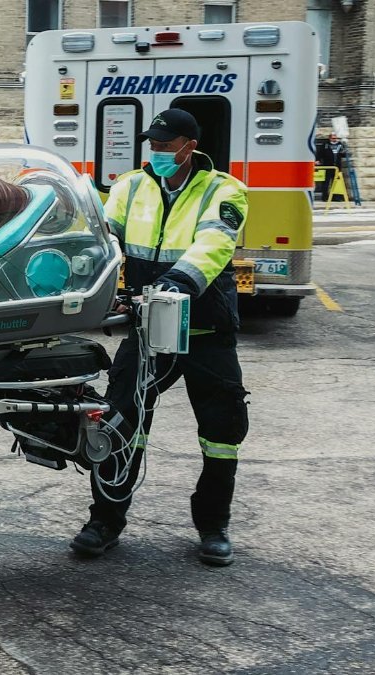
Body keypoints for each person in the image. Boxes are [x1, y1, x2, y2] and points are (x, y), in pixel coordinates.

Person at [70, 108, 250, 567]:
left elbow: (215, 243)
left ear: (189, 147)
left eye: (165, 145)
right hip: (149, 329)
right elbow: (106, 237)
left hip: (205, 329)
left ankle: (213, 526)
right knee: (120, 422)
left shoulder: (224, 190)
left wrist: (178, 282)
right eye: (152, 144)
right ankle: (105, 521)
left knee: (221, 431)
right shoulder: (132, 186)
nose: (157, 152)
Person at [315, 133, 347, 201]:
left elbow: (344, 154)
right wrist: (317, 160)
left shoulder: (340, 145)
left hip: (337, 167)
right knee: (326, 182)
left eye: (335, 138)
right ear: (330, 138)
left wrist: (344, 149)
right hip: (328, 166)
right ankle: (325, 197)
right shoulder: (325, 145)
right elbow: (319, 153)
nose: (334, 139)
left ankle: (336, 197)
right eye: (333, 138)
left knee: (336, 183)